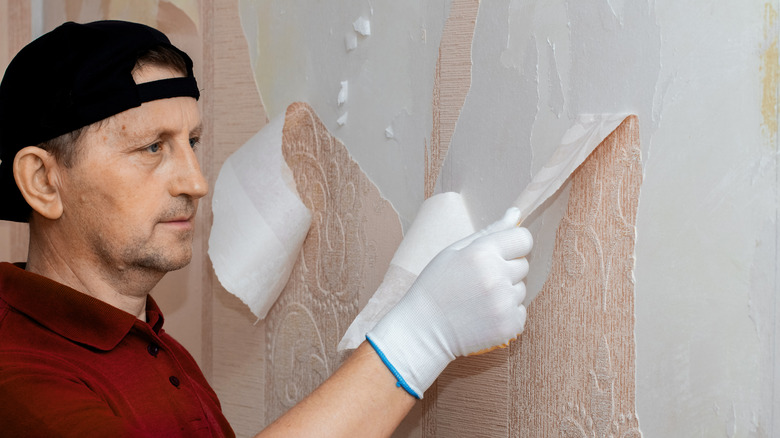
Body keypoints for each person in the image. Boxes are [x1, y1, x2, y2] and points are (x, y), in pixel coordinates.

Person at [0, 20, 533, 437]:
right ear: (45, 181)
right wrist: (420, 337)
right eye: (152, 147)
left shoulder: (151, 344)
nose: (195, 181)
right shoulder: (19, 381)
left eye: (193, 142)